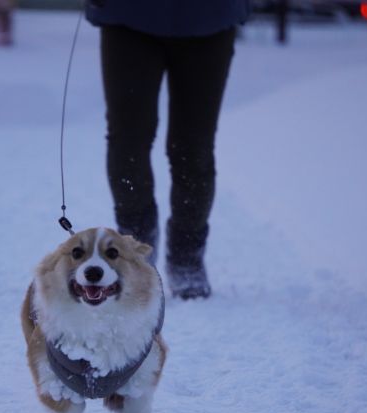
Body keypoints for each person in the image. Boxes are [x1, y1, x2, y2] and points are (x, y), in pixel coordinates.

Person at [86, 0, 248, 299]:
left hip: (209, 19)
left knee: (193, 147)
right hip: (128, 17)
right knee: (128, 142)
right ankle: (136, 251)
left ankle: (187, 256)